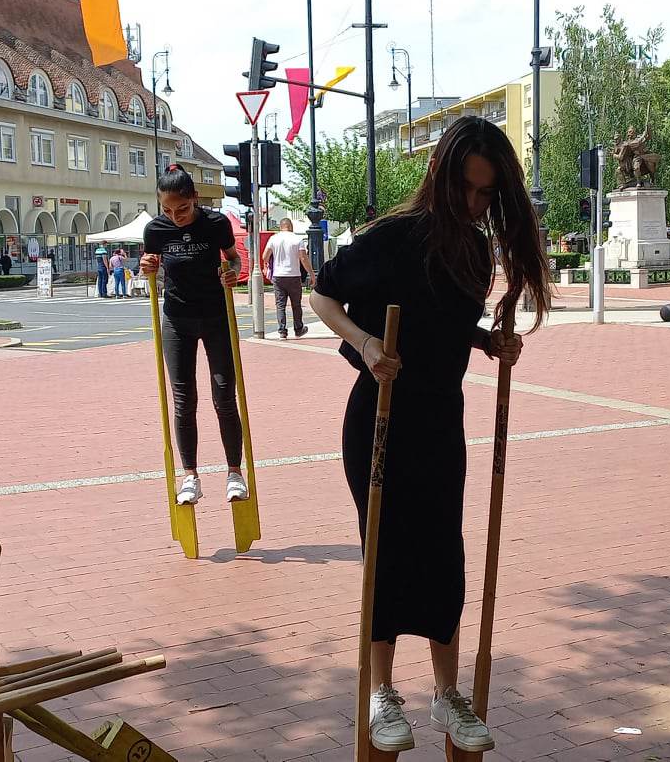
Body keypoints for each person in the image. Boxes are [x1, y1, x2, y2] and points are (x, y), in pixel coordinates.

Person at [308, 116, 549, 755]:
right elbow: (322, 296)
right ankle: (382, 692)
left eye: (486, 194)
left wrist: (487, 341)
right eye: (466, 189)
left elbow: (442, 319)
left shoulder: (474, 249)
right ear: (440, 174)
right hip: (382, 416)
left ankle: (447, 693)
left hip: (442, 419)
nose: (474, 204)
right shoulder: (391, 237)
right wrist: (365, 345)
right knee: (385, 552)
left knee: (444, 554)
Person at [140, 164, 249, 506]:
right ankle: (190, 476)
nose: (176, 217)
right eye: (168, 210)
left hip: (216, 316)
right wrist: (147, 268)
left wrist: (232, 273)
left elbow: (234, 260)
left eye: (183, 209)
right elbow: (150, 265)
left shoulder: (216, 224)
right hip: (177, 319)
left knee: (224, 396)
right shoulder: (155, 230)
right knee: (183, 399)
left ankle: (234, 473)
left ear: (195, 199)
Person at [262, 218, 314, 339]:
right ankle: (298, 329)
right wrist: (311, 274)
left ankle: (282, 331)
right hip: (294, 275)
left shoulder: (273, 239)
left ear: (280, 227)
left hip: (278, 276)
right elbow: (303, 258)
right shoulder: (297, 239)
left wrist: (266, 266)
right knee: (296, 304)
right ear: (290, 226)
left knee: (280, 305)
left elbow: (265, 256)